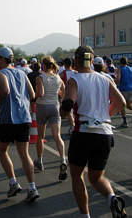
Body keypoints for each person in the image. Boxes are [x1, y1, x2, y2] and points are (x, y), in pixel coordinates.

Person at [61, 46, 127, 218]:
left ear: (76, 60)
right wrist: (106, 115)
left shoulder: (74, 80)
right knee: (97, 177)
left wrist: (64, 110)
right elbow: (121, 102)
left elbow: (68, 105)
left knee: (77, 175)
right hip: (104, 133)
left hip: (83, 131)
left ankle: (85, 215)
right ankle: (112, 198)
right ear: (92, 60)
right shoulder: (105, 79)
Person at [0, 47, 39, 202]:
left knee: (2, 150)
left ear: (2, 59)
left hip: (8, 118)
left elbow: (5, 91)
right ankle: (32, 187)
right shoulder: (22, 73)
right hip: (24, 117)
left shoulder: (0, 73)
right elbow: (32, 95)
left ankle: (13, 182)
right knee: (24, 154)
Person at [34, 56, 67, 181]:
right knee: (57, 136)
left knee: (40, 137)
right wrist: (60, 97)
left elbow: (41, 93)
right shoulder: (58, 78)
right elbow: (64, 91)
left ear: (44, 65)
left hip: (42, 106)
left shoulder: (40, 77)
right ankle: (62, 159)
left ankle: (40, 160)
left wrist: (34, 97)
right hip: (54, 106)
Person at [116, 56, 132, 128]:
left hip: (124, 89)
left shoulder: (120, 69)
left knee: (122, 105)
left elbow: (118, 79)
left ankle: (125, 122)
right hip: (131, 88)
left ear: (120, 62)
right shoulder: (131, 69)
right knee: (128, 105)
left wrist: (113, 81)